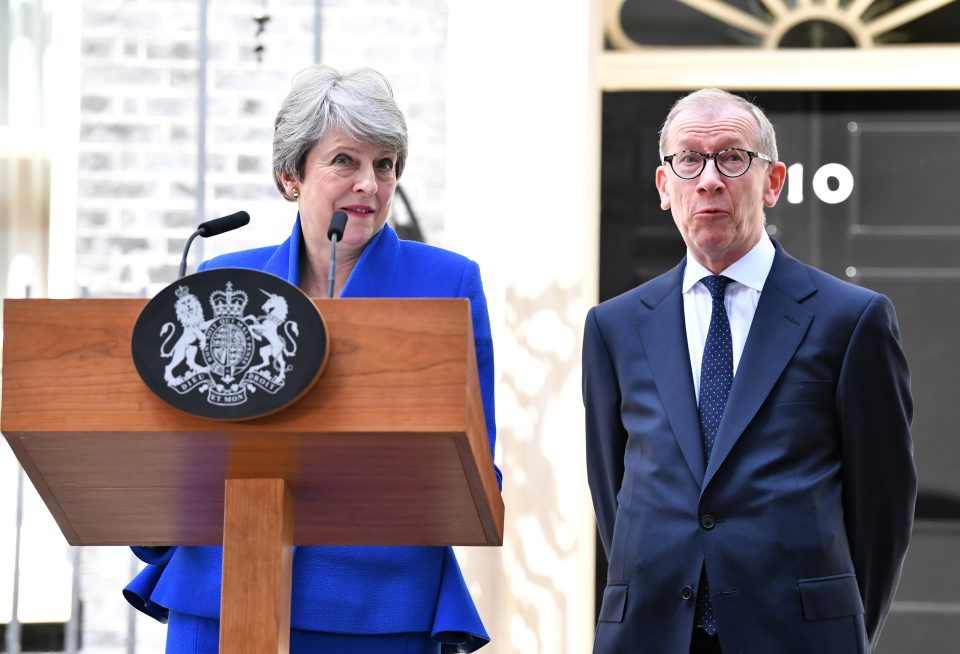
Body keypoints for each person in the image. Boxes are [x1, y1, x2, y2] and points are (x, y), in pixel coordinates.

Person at [124, 64, 500, 654]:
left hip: (377, 605)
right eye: (345, 160)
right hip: (218, 594)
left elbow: (478, 468)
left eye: (385, 164)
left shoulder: (447, 283)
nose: (370, 185)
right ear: (290, 176)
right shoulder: (221, 280)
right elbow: (177, 445)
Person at [582, 88, 916, 654]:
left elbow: (882, 507)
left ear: (773, 181)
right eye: (688, 159)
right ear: (665, 187)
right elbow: (612, 493)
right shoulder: (613, 327)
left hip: (798, 637)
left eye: (733, 157)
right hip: (651, 634)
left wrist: (838, 622)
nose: (709, 179)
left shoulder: (851, 320)